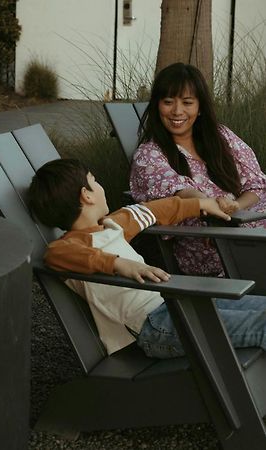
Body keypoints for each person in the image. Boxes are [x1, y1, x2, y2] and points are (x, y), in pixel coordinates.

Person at [28, 158, 266, 358]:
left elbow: (154, 210)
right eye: (94, 181)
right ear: (86, 196)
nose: (99, 185)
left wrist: (201, 203)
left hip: (173, 303)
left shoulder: (112, 224)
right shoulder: (70, 246)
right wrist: (118, 264)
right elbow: (55, 255)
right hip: (152, 327)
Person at [130, 62, 266, 276]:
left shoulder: (222, 137)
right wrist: (209, 205)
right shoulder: (149, 155)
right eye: (168, 102)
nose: (177, 111)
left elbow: (256, 183)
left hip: (248, 227)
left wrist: (234, 207)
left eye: (187, 102)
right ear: (157, 105)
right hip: (212, 246)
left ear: (200, 107)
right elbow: (181, 192)